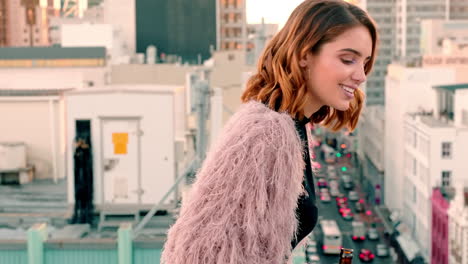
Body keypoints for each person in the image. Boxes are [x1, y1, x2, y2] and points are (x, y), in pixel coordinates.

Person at [161, 0, 378, 263]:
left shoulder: (288, 126)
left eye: (364, 62)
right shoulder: (267, 134)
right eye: (348, 59)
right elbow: (205, 252)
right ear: (304, 55)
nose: (361, 75)